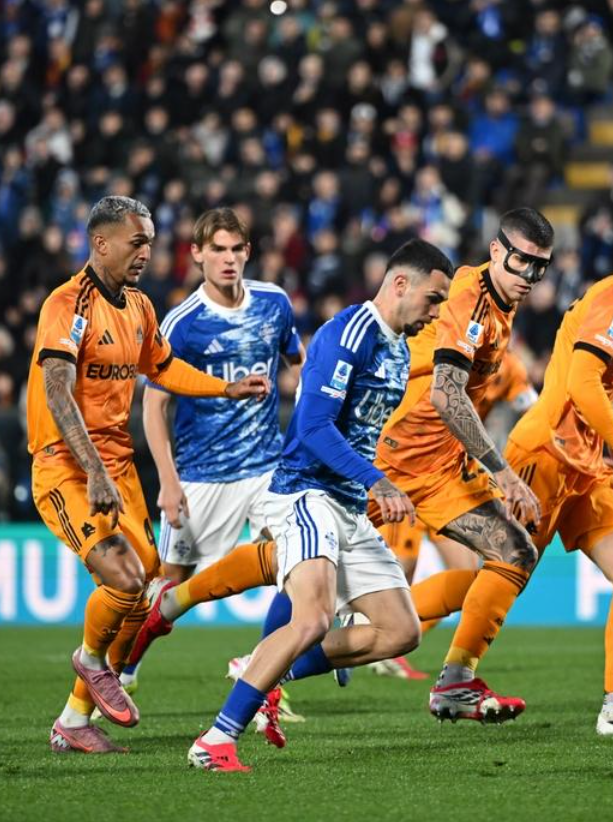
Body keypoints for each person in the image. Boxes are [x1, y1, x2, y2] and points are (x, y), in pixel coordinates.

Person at [413, 202, 613, 735]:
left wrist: (606, 452)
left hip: (583, 464)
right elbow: (583, 383)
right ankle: (441, 664)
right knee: (502, 569)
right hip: (545, 454)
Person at [188, 239, 455, 772]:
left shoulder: (400, 351)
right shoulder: (347, 333)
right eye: (433, 299)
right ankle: (215, 740)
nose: (436, 313)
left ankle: (268, 668)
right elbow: (311, 427)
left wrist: (371, 485)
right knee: (310, 619)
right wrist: (378, 481)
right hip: (306, 493)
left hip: (348, 505)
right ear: (400, 284)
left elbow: (361, 434)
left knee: (401, 631)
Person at [32, 196, 270, 754]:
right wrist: (93, 470)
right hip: (67, 466)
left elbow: (162, 368)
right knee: (122, 579)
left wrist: (225, 388)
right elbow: (56, 390)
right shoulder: (68, 304)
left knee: (142, 595)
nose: (146, 252)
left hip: (117, 467)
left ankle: (73, 720)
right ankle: (90, 659)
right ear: (100, 243)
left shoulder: (138, 306)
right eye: (136, 241)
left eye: (150, 242)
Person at [372, 207, 553, 723]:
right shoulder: (469, 301)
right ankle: (185, 610)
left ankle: (454, 681)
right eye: (521, 261)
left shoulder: (502, 314)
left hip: (444, 466)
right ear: (496, 250)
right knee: (296, 560)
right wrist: (504, 472)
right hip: (393, 457)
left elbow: (528, 408)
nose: (530, 276)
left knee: (512, 552)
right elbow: (446, 394)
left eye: (540, 266)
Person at [118, 207, 303, 698]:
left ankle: (261, 678)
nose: (228, 259)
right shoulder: (183, 324)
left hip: (268, 469)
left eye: (236, 249)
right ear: (197, 254)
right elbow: (154, 406)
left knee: (298, 562)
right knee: (170, 586)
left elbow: (299, 364)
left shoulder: (274, 303)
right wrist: (168, 481)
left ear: (248, 252)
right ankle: (121, 670)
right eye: (217, 249)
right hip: (203, 475)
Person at [375, 349, 539, 680]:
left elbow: (533, 412)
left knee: (468, 575)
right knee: (401, 570)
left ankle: (388, 637)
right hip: (407, 472)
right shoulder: (436, 348)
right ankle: (372, 631)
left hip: (451, 479)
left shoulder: (509, 368)